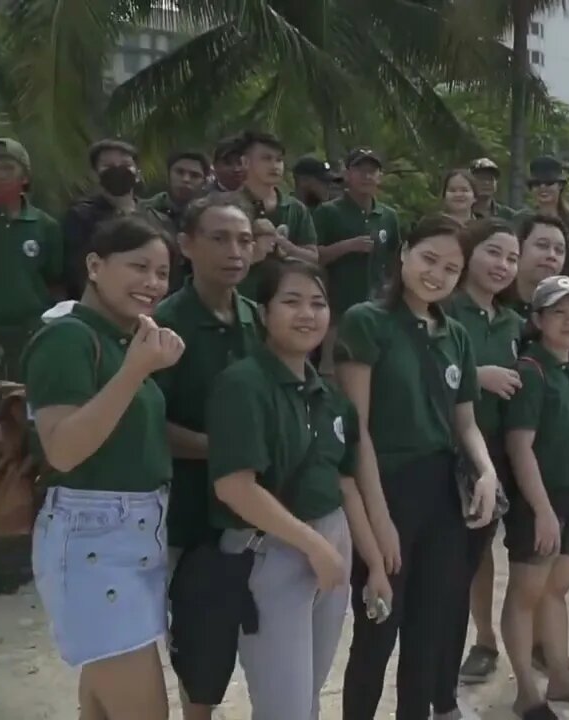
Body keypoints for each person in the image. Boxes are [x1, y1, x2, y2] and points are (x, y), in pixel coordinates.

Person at [206, 259, 391, 718]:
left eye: (318, 303)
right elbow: (235, 487)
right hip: (271, 550)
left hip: (333, 546)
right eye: (291, 302)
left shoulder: (329, 397)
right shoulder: (243, 384)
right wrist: (315, 547)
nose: (307, 314)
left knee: (306, 693)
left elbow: (344, 481)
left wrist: (372, 564)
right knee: (282, 704)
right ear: (264, 312)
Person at [336, 215, 501, 719]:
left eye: (451, 268)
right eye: (429, 259)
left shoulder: (454, 334)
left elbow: (465, 422)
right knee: (377, 632)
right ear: (404, 252)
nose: (438, 274)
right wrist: (379, 522)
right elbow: (356, 431)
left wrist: (487, 471)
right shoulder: (366, 322)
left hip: (441, 495)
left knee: (429, 631)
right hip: (386, 487)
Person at [24, 215, 183, 719]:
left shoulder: (124, 339)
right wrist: (137, 371)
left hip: (133, 537)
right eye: (139, 267)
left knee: (102, 704)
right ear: (95, 265)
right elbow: (63, 448)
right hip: (93, 539)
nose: (153, 284)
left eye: (162, 273)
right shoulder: (68, 338)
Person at [153, 195, 262, 720]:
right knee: (195, 639)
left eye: (244, 240)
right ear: (186, 245)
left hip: (253, 511)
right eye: (218, 238)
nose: (234, 251)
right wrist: (223, 452)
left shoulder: (257, 318)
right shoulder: (163, 325)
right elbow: (149, 425)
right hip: (187, 509)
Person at [502, 275, 569, 719]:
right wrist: (542, 510)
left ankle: (562, 679)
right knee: (526, 593)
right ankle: (526, 691)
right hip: (542, 502)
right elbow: (518, 446)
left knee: (557, 590)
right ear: (537, 318)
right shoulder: (532, 371)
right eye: (558, 312)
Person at [445, 219, 525, 688]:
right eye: (494, 253)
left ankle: (495, 637)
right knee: (464, 553)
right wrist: (480, 376)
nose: (503, 265)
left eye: (512, 258)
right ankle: (479, 639)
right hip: (453, 451)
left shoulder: (515, 320)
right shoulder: (443, 312)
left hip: (503, 448)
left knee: (486, 543)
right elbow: (424, 373)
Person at [314, 148, 401, 374]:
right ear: (346, 173)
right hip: (337, 310)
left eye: (372, 171)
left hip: (377, 308)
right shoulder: (327, 212)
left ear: (380, 177)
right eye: (360, 170)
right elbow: (313, 255)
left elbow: (396, 259)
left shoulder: (388, 216)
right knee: (332, 372)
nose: (367, 176)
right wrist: (348, 246)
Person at [0, 137, 63, 382]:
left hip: (31, 335)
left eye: (7, 168)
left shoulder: (45, 226)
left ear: (25, 177)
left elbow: (56, 283)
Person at [238, 131, 319, 295]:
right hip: (240, 301)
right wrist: (254, 254)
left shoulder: (296, 208)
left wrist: (285, 246)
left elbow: (312, 257)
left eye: (279, 160)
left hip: (284, 302)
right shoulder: (227, 206)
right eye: (266, 158)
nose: (274, 165)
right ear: (245, 162)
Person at [61, 138, 142, 299]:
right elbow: (77, 275)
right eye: (108, 166)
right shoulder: (81, 217)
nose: (118, 170)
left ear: (138, 174)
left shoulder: (156, 217)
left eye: (126, 165)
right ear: (95, 175)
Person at [517, 156, 569, 279]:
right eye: (537, 184)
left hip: (563, 287)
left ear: (560, 186)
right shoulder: (521, 219)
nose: (543, 187)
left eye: (549, 183)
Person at [142, 150, 211, 238]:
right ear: (168, 175)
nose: (186, 179)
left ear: (204, 182)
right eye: (179, 172)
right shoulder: (144, 210)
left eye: (194, 175)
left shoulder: (209, 215)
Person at [513, 215, 569, 316]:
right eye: (542, 245)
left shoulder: (565, 310)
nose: (552, 255)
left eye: (559, 250)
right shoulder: (491, 301)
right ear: (518, 247)